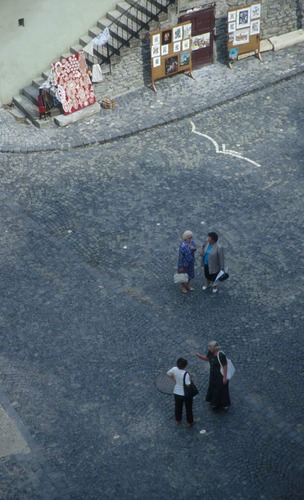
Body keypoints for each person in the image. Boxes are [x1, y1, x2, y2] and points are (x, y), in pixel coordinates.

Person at [196, 341, 230, 411]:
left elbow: (225, 366)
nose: (209, 348)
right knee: (213, 387)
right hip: (213, 374)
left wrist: (224, 377)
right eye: (209, 347)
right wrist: (200, 356)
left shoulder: (221, 355)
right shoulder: (210, 352)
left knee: (220, 389)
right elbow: (207, 358)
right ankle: (214, 401)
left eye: (211, 347)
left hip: (220, 375)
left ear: (215, 348)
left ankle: (222, 404)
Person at [167, 358, 195, 427]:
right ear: (185, 366)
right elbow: (188, 384)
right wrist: (190, 378)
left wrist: (174, 379)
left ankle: (178, 419)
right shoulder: (186, 374)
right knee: (188, 408)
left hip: (177, 392)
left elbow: (168, 373)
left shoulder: (174, 369)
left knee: (178, 406)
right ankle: (190, 422)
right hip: (186, 394)